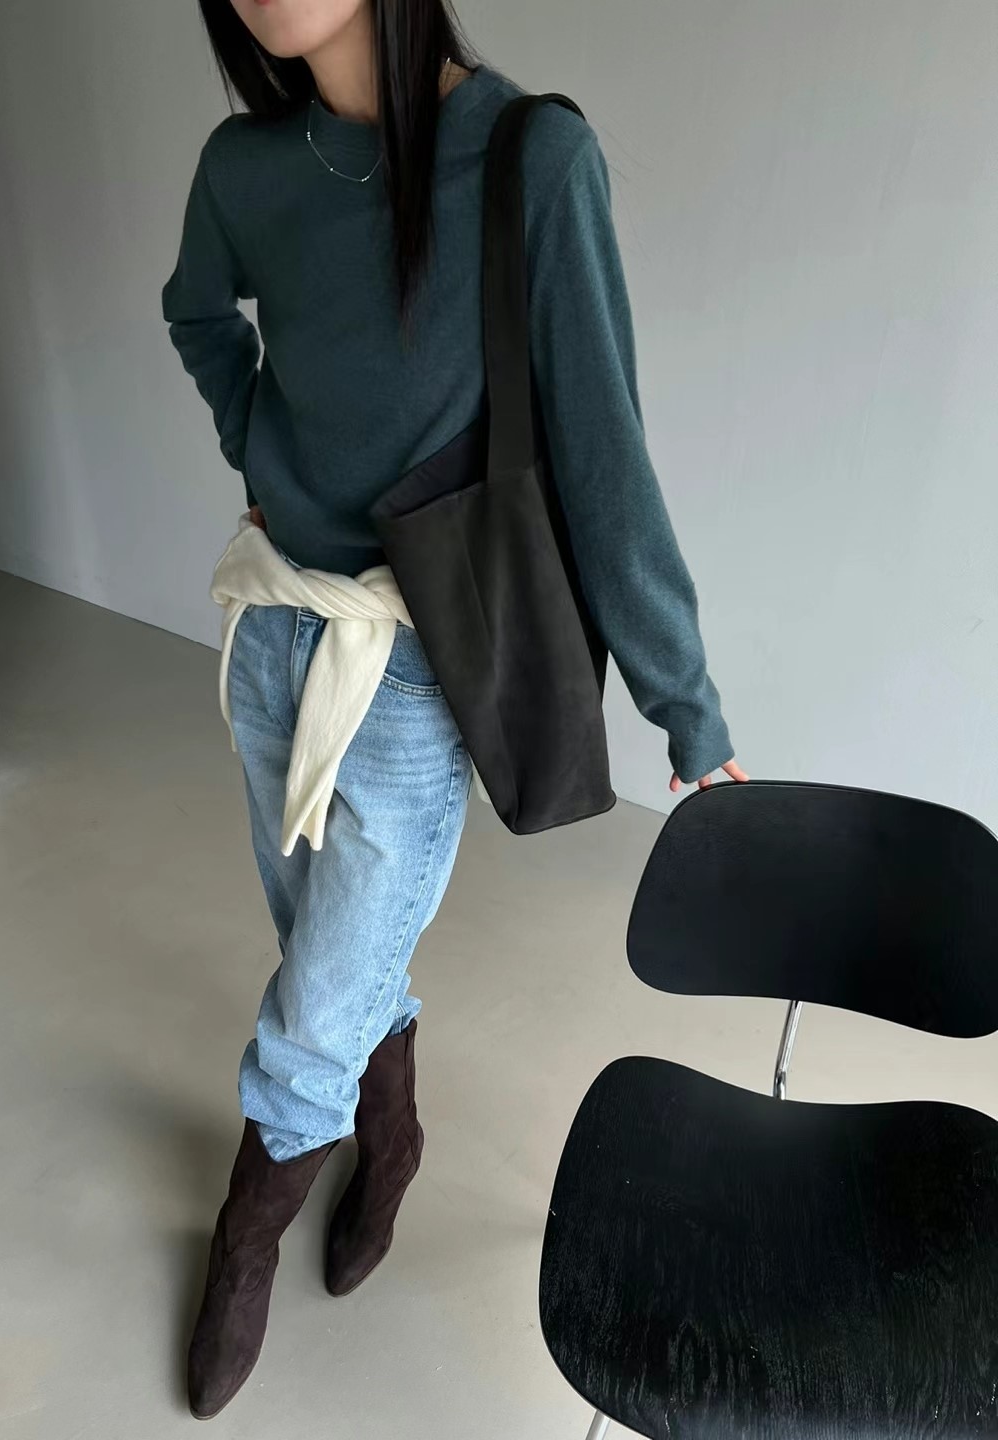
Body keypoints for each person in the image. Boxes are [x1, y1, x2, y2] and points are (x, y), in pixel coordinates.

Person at [162, 0, 747, 1419]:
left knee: (319, 1000)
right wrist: (258, 444)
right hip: (272, 629)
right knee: (326, 946)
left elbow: (604, 456)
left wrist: (688, 710)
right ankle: (396, 1126)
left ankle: (248, 1230)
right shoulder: (245, 169)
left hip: (420, 663)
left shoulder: (529, 158)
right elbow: (195, 314)